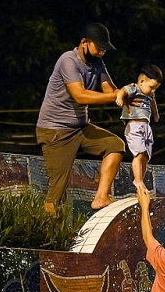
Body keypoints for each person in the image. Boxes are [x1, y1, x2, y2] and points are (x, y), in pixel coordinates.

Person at [36, 23, 125, 213]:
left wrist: (131, 95)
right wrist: (117, 96)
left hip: (81, 127)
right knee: (57, 193)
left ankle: (101, 197)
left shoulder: (98, 63)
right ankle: (50, 238)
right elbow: (80, 96)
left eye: (104, 49)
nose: (102, 52)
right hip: (56, 131)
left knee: (115, 146)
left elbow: (110, 90)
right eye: (99, 47)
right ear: (85, 42)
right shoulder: (68, 60)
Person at [116, 65, 162, 191]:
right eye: (151, 87)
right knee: (139, 154)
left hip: (146, 126)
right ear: (142, 82)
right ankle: (138, 180)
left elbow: (153, 104)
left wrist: (156, 114)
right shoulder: (135, 88)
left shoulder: (150, 95)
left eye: (155, 89)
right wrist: (120, 98)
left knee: (146, 155)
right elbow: (122, 91)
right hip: (134, 125)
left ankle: (141, 178)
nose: (153, 91)